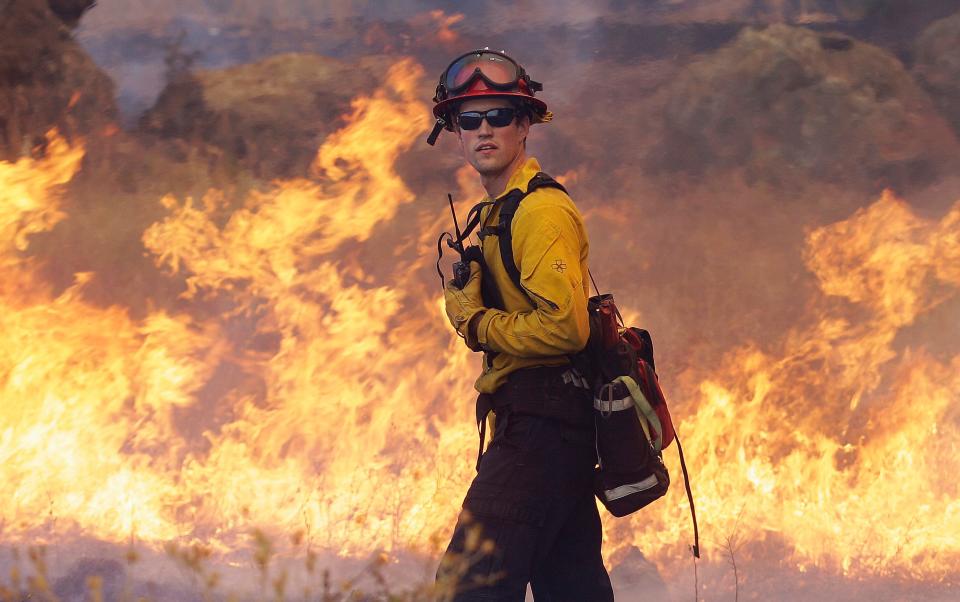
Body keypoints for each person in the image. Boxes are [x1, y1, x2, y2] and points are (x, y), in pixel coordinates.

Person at [431, 49, 614, 602]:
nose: (484, 129)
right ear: (454, 133)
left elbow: (566, 329)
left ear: (526, 124)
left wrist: (479, 323)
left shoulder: (539, 212)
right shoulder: (496, 212)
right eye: (469, 119)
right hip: (543, 426)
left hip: (541, 429)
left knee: (467, 588)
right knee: (572, 590)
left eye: (499, 116)